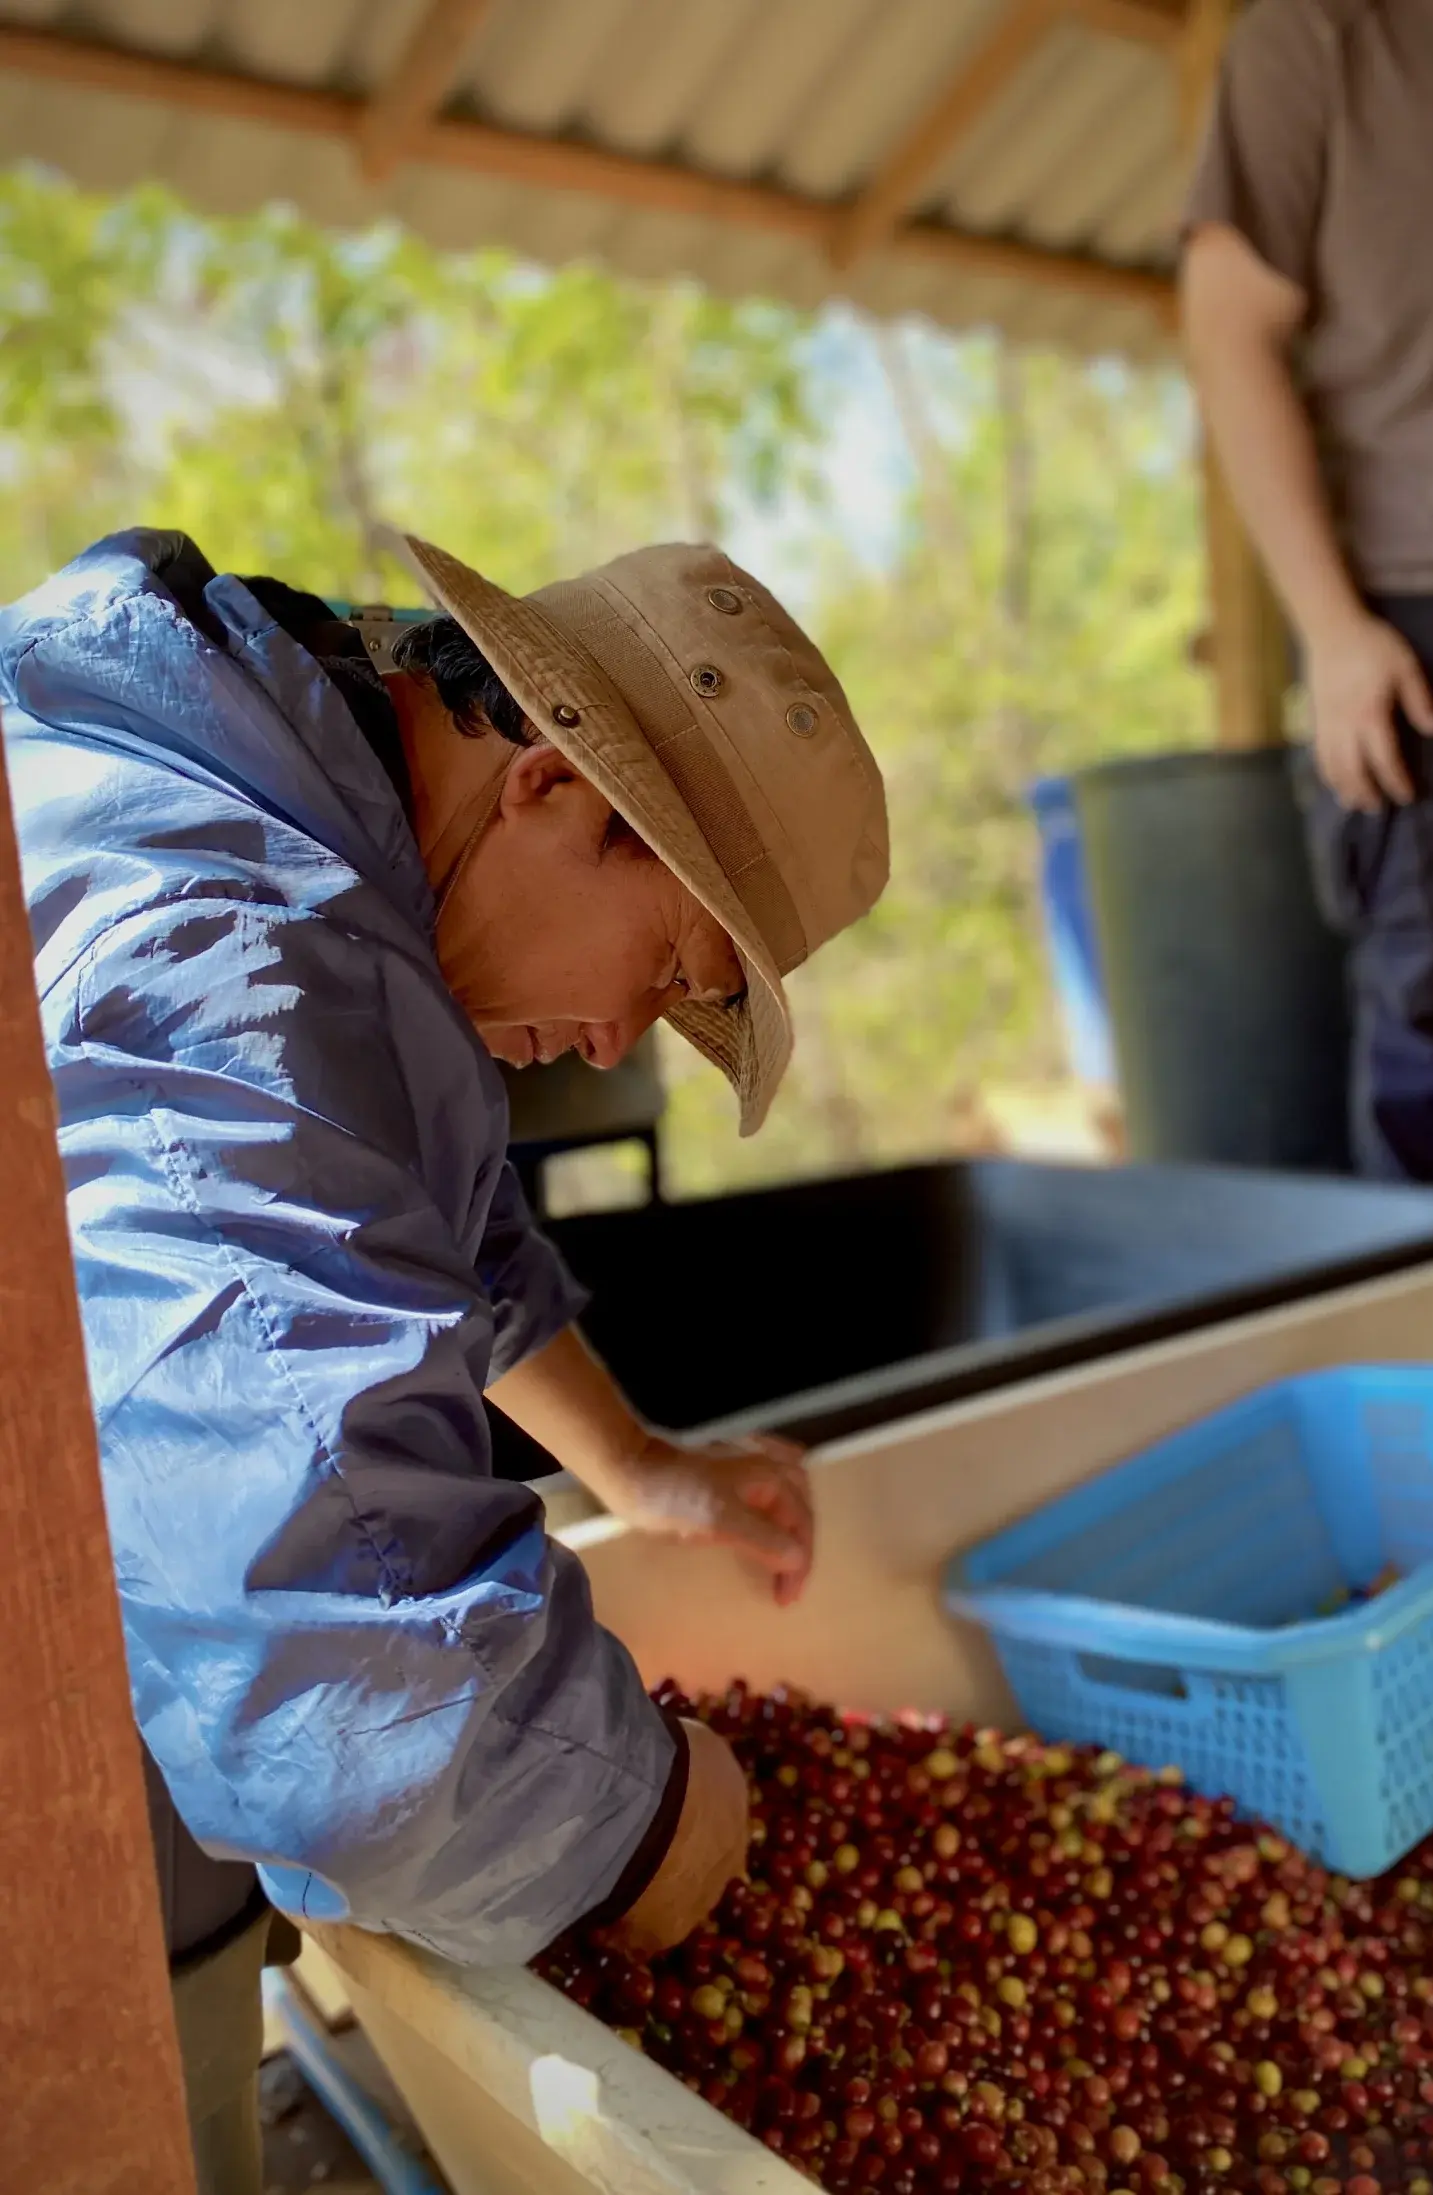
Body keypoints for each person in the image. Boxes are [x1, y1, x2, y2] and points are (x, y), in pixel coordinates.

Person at [0, 524, 888, 2191]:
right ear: (555, 787)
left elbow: (428, 1220)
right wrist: (638, 1824)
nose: (623, 1041)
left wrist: (634, 1466)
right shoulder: (235, 953)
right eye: (670, 970)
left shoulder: (294, 786)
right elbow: (331, 1669)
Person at [1181, 0, 1433, 1238]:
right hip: (1416, 609)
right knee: (1431, 1010)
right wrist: (1332, 624)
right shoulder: (1310, 40)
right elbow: (1228, 331)